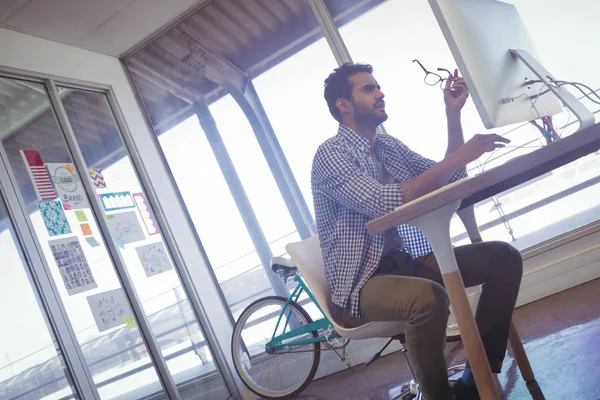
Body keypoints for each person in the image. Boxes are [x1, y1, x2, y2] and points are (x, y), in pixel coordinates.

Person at [311, 62, 523, 400]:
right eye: (368, 89)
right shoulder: (330, 155)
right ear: (343, 104)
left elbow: (447, 177)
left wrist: (452, 116)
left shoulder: (388, 146)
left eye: (378, 86)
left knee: (504, 258)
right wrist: (462, 155)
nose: (380, 93)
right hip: (359, 286)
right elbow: (384, 202)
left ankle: (476, 377)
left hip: (404, 264)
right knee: (428, 297)